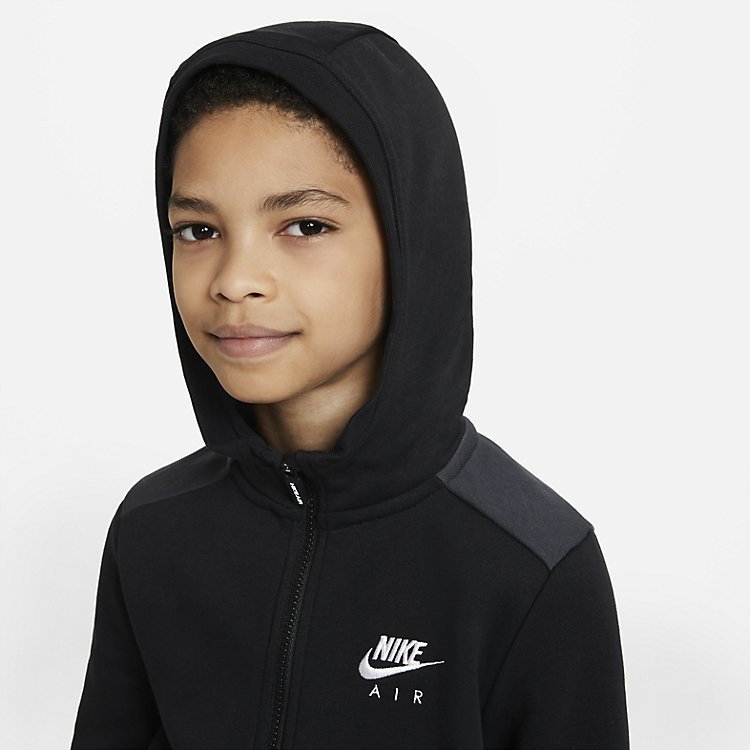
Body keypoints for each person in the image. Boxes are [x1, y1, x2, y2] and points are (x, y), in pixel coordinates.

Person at [71, 20, 628, 750]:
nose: (235, 280)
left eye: (304, 226)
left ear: (409, 238)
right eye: (198, 231)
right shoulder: (152, 529)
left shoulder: (533, 564)